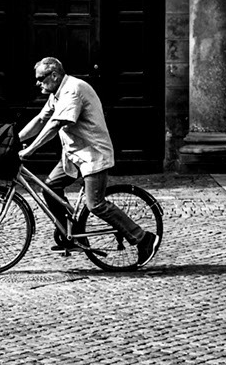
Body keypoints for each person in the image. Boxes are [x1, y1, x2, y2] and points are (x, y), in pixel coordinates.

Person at [17, 56, 159, 266]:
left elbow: (55, 125)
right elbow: (40, 119)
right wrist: (13, 140)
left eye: (40, 78)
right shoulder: (57, 93)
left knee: (95, 204)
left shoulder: (73, 90)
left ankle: (143, 238)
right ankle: (72, 234)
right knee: (50, 187)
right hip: (74, 154)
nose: (37, 83)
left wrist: (30, 150)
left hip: (92, 154)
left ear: (54, 75)